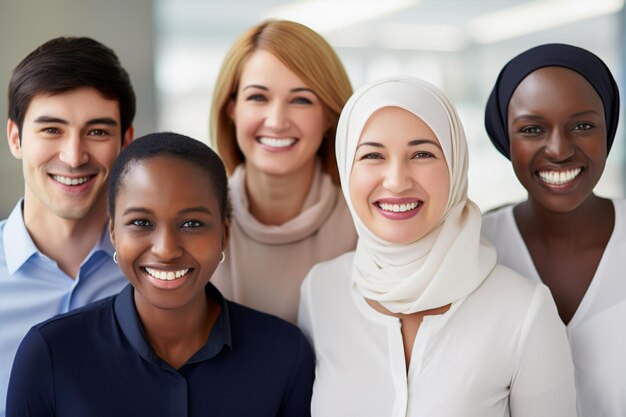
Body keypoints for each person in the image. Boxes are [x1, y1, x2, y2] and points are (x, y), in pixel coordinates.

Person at [298, 76, 576, 416]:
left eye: (422, 153)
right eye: (372, 155)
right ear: (346, 168)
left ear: (456, 165)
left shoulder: (523, 309)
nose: (397, 181)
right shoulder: (320, 291)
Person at [6, 132, 314, 417]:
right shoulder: (49, 354)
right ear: (113, 232)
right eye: (141, 223)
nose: (166, 250)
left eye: (192, 224)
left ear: (223, 234)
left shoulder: (284, 354)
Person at [482, 43, 624, 417]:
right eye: (532, 129)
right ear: (504, 138)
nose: (559, 150)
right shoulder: (474, 249)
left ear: (608, 128)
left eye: (582, 126)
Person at [0, 37, 135, 416]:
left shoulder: (157, 274)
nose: (74, 157)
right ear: (15, 138)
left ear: (126, 141)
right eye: (51, 130)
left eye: (97, 132)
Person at [210, 19, 357, 323]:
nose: (276, 121)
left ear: (330, 115)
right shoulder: (194, 219)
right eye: (258, 97)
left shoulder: (366, 224)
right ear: (231, 108)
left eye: (301, 100)